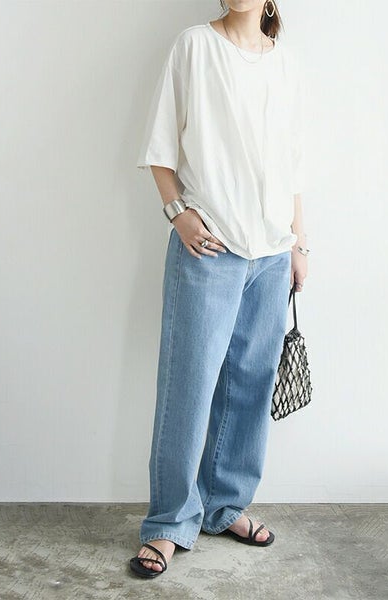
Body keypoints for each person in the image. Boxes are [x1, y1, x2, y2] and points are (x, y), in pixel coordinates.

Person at [129, 0, 310, 578]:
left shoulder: (285, 63)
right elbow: (161, 147)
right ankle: (168, 523)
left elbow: (292, 166)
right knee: (187, 385)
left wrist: (299, 244)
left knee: (250, 386)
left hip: (271, 252)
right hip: (207, 247)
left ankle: (224, 506)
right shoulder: (194, 46)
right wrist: (178, 214)